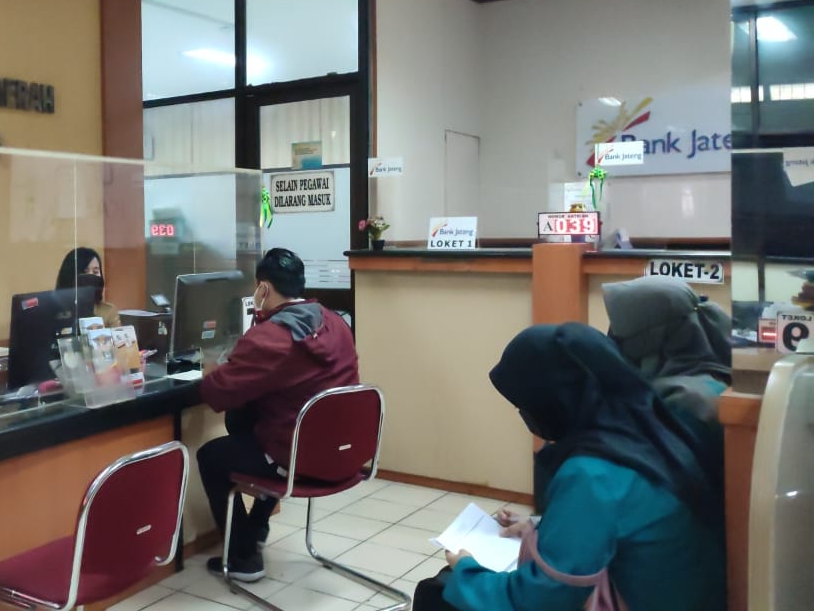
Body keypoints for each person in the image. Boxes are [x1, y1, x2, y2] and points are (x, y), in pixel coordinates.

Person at [415, 323, 724, 611]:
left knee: (441, 589)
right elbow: (625, 522)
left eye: (526, 405)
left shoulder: (593, 472)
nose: (525, 415)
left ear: (555, 400)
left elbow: (539, 600)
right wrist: (539, 527)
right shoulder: (653, 427)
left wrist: (466, 568)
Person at [196, 248, 359, 582]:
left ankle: (242, 557)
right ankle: (256, 528)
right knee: (248, 423)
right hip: (343, 455)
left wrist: (210, 371)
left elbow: (217, 394)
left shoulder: (271, 337)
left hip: (297, 459)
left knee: (211, 456)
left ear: (263, 288)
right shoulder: (336, 323)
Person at [602, 276, 731, 482]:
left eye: (620, 332)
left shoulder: (678, 401)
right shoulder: (712, 380)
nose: (612, 341)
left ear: (651, 337)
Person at [54, 247, 119, 328]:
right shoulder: (54, 311)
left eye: (95, 272)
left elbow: (117, 334)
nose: (90, 276)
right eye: (85, 272)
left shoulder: (108, 311)